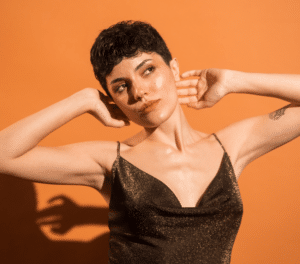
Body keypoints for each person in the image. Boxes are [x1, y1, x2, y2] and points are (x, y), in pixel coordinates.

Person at [0, 20, 299, 263]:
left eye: (148, 70)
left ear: (175, 69)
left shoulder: (229, 148)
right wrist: (83, 100)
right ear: (112, 98)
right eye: (121, 86)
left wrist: (236, 81)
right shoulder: (111, 162)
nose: (139, 92)